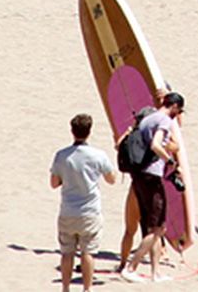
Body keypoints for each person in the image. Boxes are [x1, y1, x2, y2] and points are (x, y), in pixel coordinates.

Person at [118, 92, 186, 283]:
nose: (177, 114)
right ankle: (131, 267)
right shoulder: (164, 120)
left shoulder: (147, 119)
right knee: (159, 227)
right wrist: (170, 161)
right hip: (151, 176)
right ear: (173, 106)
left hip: (139, 175)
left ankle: (155, 273)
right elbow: (156, 145)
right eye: (178, 110)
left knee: (152, 226)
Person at [51, 113, 117, 292]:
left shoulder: (62, 155)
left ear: (72, 131)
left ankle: (65, 288)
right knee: (88, 253)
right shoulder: (98, 155)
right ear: (89, 131)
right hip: (90, 211)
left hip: (67, 210)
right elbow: (112, 179)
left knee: (67, 253)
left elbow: (54, 183)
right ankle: (87, 289)